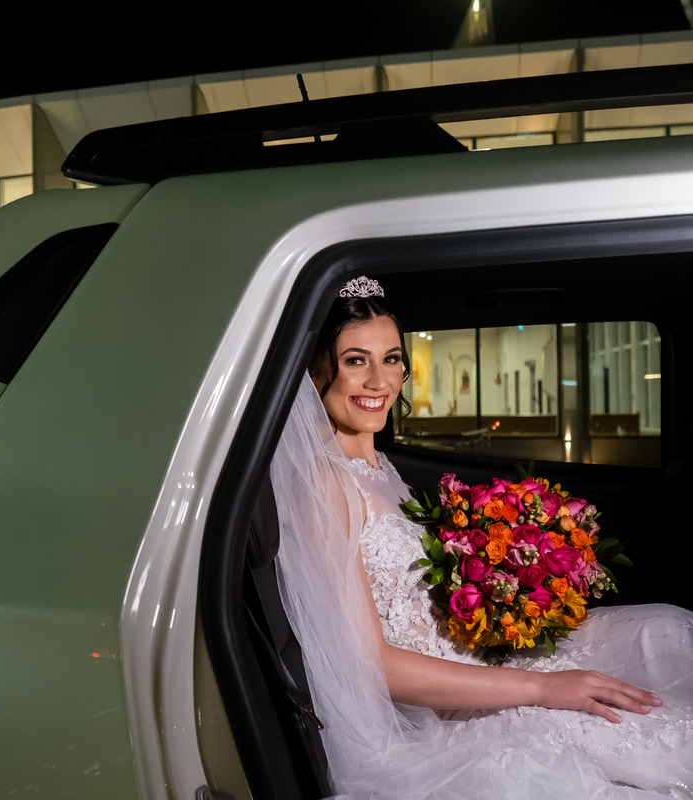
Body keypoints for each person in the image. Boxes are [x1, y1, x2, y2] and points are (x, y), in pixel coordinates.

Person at [270, 277, 692, 799]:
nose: (379, 380)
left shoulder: (378, 467)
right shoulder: (322, 487)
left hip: (477, 663)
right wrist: (542, 688)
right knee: (653, 743)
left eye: (392, 358)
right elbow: (371, 665)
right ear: (316, 368)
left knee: (665, 632)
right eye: (356, 360)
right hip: (441, 711)